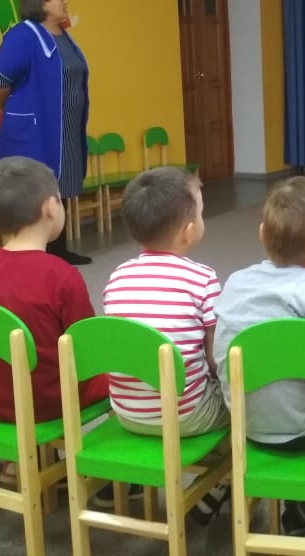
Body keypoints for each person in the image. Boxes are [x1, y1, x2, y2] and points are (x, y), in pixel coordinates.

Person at [212, 175, 305, 536]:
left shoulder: (235, 281)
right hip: (303, 432)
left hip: (245, 426)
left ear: (262, 234)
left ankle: (238, 484)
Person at [0, 156, 106, 425]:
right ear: (51, 207)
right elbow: (87, 351)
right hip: (50, 403)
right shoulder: (61, 275)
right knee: (120, 368)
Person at [103, 166, 228, 433]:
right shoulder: (203, 279)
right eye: (201, 213)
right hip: (188, 416)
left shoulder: (117, 277)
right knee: (237, 400)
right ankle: (222, 458)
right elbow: (215, 358)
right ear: (188, 231)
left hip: (127, 414)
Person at [0, 0, 91, 265]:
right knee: (38, 189)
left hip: (65, 127)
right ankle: (37, 253)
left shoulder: (62, 34)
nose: (65, 1)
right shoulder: (24, 35)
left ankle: (59, 250)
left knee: (60, 186)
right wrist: (12, 111)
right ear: (42, 3)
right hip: (36, 129)